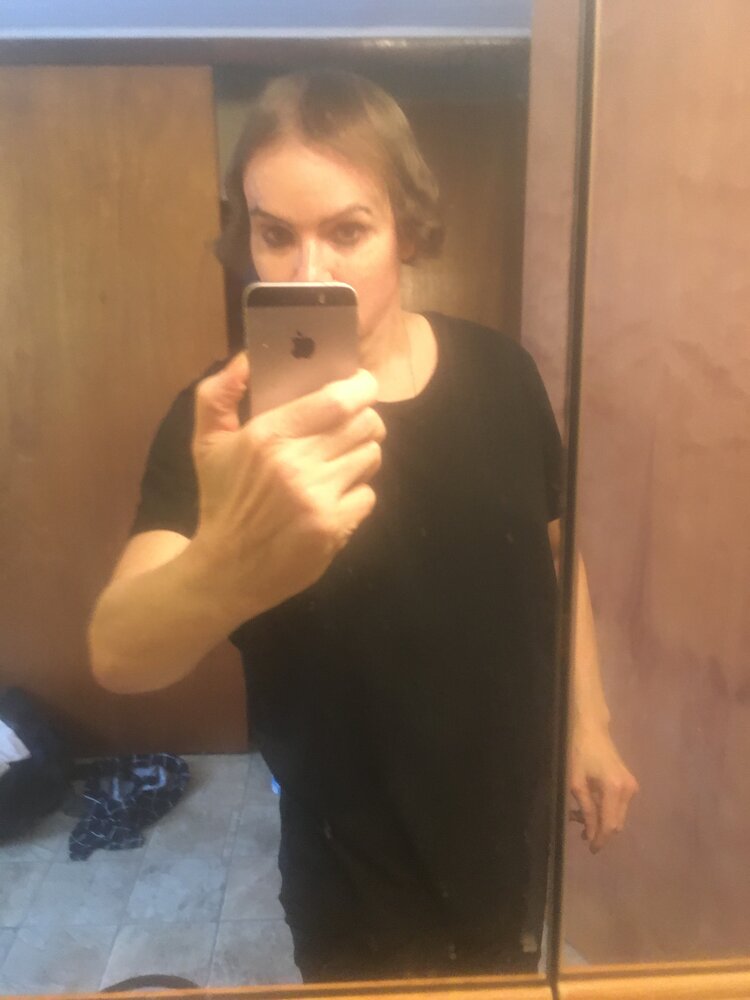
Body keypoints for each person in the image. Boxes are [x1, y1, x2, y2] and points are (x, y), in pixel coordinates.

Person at [89, 70, 637, 981]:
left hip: (506, 820)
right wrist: (226, 564)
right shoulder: (222, 424)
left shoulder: (502, 374)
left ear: (407, 229)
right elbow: (119, 652)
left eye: (348, 230)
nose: (310, 273)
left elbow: (554, 546)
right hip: (347, 860)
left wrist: (592, 721)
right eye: (276, 234)